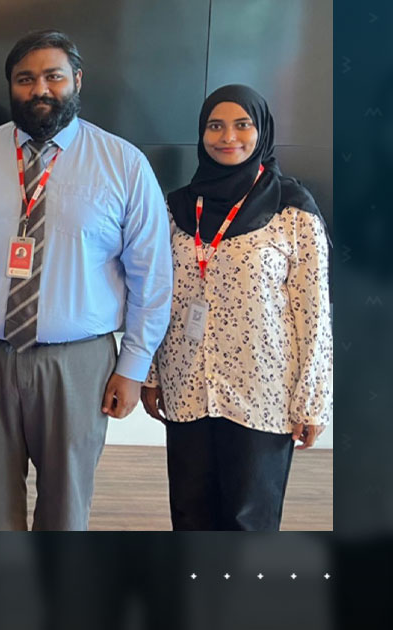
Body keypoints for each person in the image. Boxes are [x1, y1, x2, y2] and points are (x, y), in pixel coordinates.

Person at [0, 30, 172, 531]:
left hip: (79, 364)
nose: (40, 90)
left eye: (53, 76)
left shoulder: (124, 164)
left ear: (77, 81)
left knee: (67, 505)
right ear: (10, 86)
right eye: (25, 79)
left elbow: (152, 276)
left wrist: (133, 366)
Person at [141, 84, 332, 531]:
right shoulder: (176, 208)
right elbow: (155, 294)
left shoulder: (293, 209)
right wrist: (151, 373)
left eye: (242, 125)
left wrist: (313, 401)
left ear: (262, 130)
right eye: (215, 126)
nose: (228, 137)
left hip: (262, 392)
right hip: (187, 383)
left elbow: (314, 314)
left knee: (249, 521)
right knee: (190, 513)